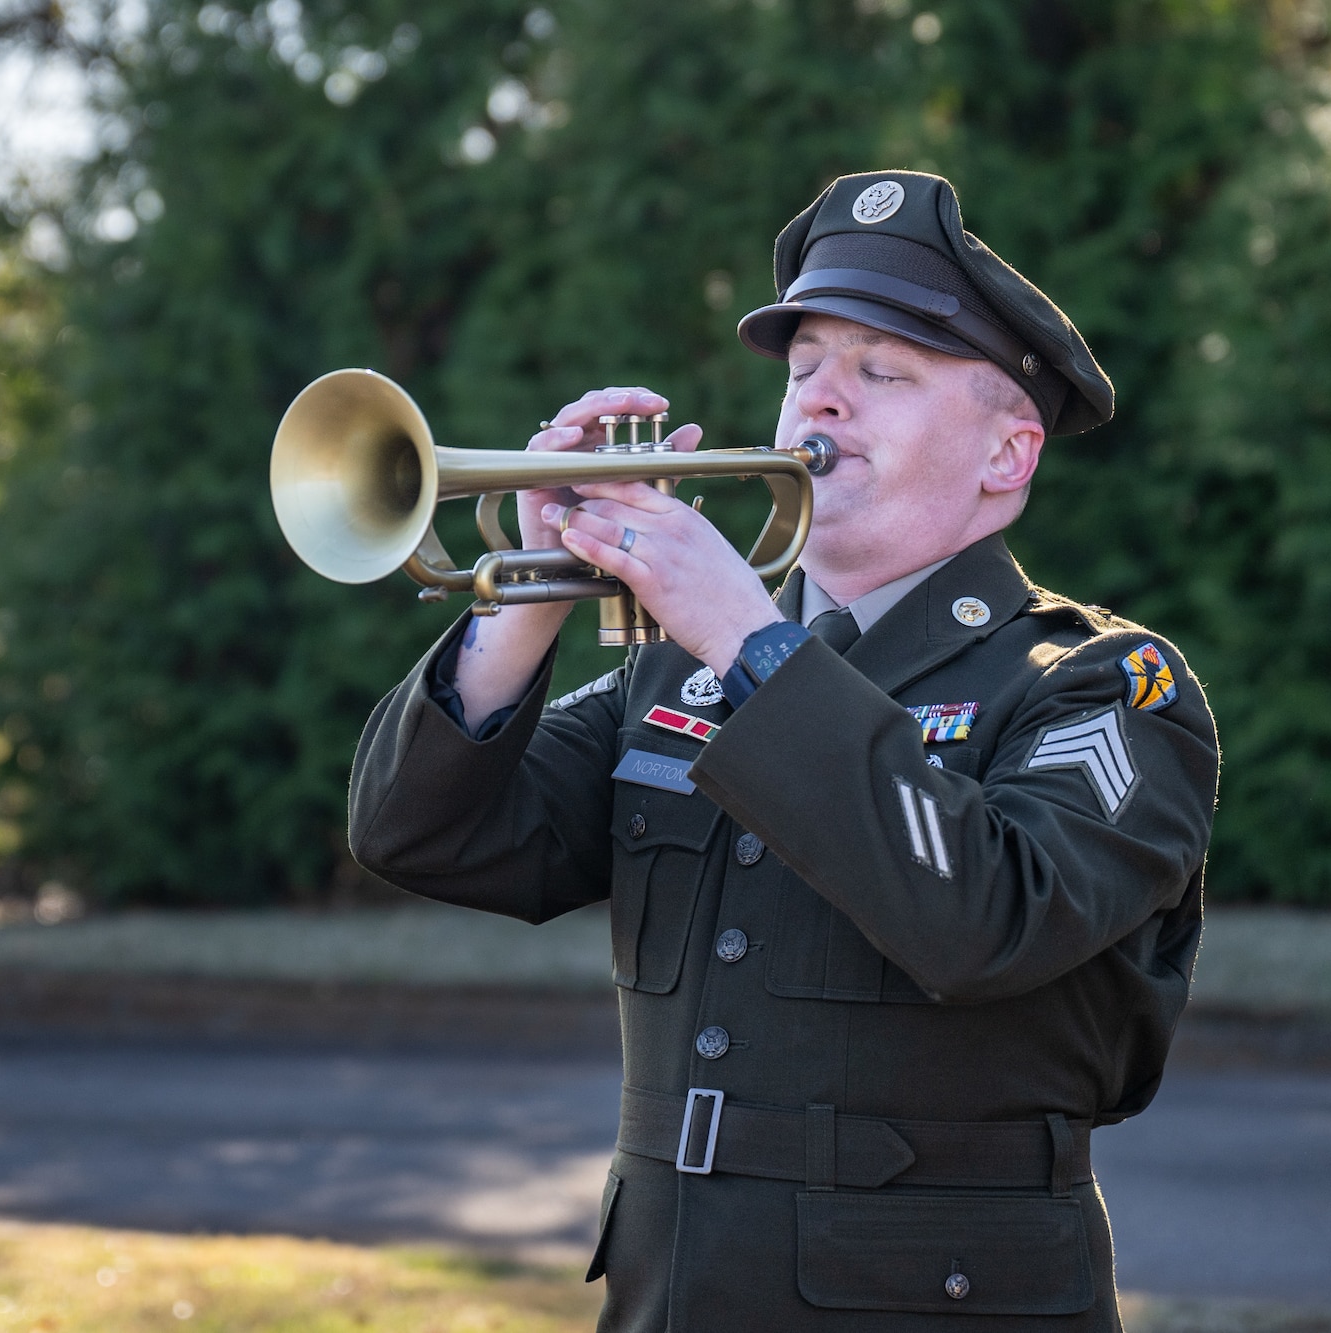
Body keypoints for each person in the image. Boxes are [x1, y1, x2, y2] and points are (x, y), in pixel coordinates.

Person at [349, 170, 1218, 1331]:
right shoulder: (675, 666)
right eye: (803, 367)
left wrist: (749, 640)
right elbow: (419, 834)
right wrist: (532, 590)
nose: (821, 398)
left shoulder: (1099, 683)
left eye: (881, 371)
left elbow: (983, 917)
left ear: (1005, 456)